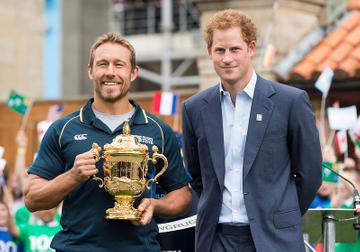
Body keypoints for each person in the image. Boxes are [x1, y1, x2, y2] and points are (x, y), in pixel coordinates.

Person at [23, 32, 191, 251]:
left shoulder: (158, 130)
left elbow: (182, 195)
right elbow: (32, 199)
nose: (110, 72)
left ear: (133, 73)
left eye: (119, 65)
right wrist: (73, 176)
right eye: (103, 64)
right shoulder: (63, 129)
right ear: (91, 70)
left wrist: (154, 205)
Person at [181, 9, 322, 252]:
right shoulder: (194, 108)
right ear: (209, 52)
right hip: (216, 239)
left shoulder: (290, 102)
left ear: (251, 48)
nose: (227, 58)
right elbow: (197, 176)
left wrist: (279, 214)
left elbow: (310, 174)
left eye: (235, 49)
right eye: (219, 50)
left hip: (274, 239)